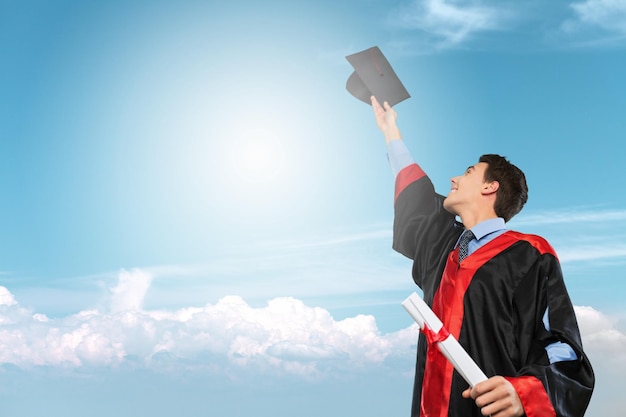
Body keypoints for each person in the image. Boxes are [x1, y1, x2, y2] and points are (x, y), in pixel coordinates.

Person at [371, 96, 594, 417]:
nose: (454, 179)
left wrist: (526, 391)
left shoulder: (528, 253)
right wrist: (390, 130)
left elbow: (560, 346)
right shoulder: (442, 246)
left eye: (468, 172)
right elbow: (417, 200)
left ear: (491, 187)